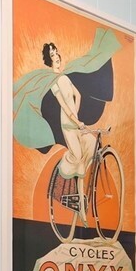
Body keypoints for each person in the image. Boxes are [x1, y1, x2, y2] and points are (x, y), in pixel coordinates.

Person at [42, 42, 97, 211]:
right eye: (52, 55)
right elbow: (64, 106)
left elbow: (77, 95)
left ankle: (80, 201)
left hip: (74, 122)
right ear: (48, 60)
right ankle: (61, 174)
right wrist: (75, 120)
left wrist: (77, 117)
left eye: (57, 52)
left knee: (92, 143)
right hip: (67, 124)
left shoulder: (65, 77)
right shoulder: (53, 82)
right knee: (77, 154)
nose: (57, 56)